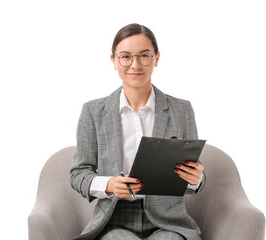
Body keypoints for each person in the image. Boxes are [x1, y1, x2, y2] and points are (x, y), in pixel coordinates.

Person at [70, 23, 206, 240]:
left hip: (168, 222)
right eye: (125, 56)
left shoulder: (182, 110)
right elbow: (78, 174)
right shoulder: (92, 112)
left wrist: (195, 179)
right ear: (114, 60)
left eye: (144, 55)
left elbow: (193, 176)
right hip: (113, 220)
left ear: (156, 58)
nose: (135, 64)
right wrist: (109, 184)